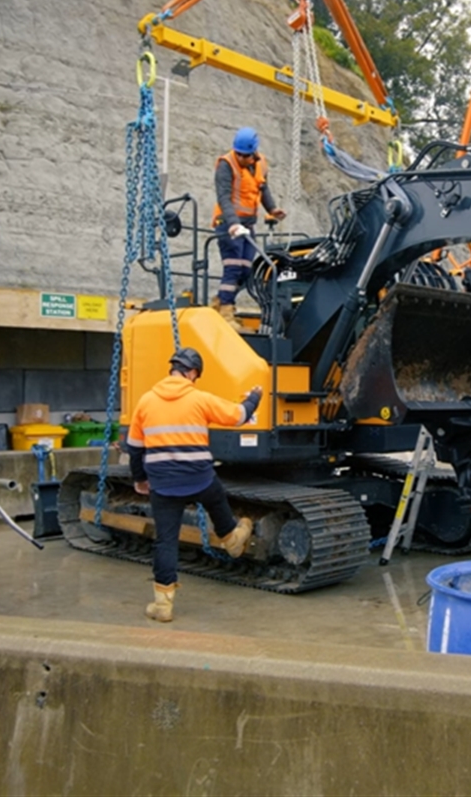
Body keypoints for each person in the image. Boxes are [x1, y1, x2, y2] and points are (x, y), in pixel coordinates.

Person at [127, 346, 262, 622]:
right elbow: (238, 416)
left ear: (172, 369)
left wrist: (140, 479)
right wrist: (255, 398)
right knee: (217, 499)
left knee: (166, 542)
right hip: (200, 479)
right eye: (196, 375)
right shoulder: (199, 399)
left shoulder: (146, 401)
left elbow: (134, 448)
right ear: (190, 373)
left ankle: (163, 606)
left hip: (163, 485)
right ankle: (233, 540)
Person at [213, 126, 286, 330]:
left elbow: (263, 188)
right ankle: (226, 310)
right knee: (233, 266)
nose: (242, 158)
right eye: (239, 154)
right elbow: (224, 197)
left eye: (245, 155)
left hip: (247, 224)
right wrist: (233, 223)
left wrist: (272, 209)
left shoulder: (260, 163)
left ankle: (221, 301)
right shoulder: (226, 164)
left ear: (253, 152)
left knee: (246, 271)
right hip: (227, 223)